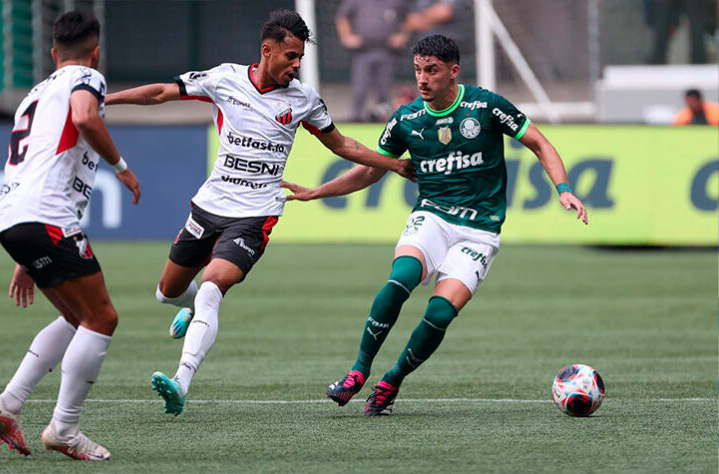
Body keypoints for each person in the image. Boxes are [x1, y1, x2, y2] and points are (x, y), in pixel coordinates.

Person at [105, 9, 413, 417]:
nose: (297, 65)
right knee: (167, 291)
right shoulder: (225, 79)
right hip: (210, 204)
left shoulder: (304, 99)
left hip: (256, 213)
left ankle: (181, 381)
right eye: (290, 56)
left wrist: (393, 164)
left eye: (301, 57)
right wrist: (103, 101)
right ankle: (190, 310)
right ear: (267, 50)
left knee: (213, 287)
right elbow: (161, 93)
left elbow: (341, 145)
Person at [282, 35, 588, 416]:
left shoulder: (486, 106)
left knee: (441, 313)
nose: (422, 79)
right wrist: (316, 193)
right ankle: (358, 371)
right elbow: (368, 172)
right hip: (433, 216)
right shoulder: (406, 120)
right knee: (401, 278)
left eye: (432, 71)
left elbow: (540, 143)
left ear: (453, 71)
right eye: (417, 70)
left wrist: (563, 189)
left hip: (480, 229)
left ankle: (391, 380)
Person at [0, 11, 141, 460]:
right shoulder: (88, 78)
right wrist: (123, 169)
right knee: (102, 318)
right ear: (95, 53)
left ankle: (8, 405)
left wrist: (25, 258)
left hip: (14, 216)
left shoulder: (34, 93)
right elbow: (86, 118)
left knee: (78, 318)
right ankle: (65, 429)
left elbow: (40, 164)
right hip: (45, 217)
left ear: (53, 54)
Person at [336, 0, 413, 122]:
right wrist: (346, 36)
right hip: (363, 50)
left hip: (387, 50)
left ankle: (383, 120)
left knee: (384, 90)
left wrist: (403, 35)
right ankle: (357, 119)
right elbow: (342, 17)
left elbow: (408, 17)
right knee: (360, 88)